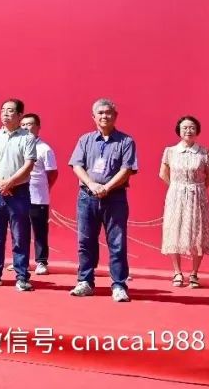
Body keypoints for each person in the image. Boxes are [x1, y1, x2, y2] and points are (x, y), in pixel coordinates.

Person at [69, 98, 137, 302]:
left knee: (117, 242)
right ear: (93, 117)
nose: (104, 116)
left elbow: (126, 169)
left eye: (108, 113)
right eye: (100, 113)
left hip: (114, 198)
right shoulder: (85, 140)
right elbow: (77, 165)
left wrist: (107, 187)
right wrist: (91, 184)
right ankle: (85, 282)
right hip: (87, 197)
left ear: (115, 116)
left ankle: (119, 285)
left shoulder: (126, 141)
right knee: (85, 241)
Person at [0, 99, 37, 291]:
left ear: (20, 115)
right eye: (3, 110)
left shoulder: (27, 138)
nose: (5, 113)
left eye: (10, 110)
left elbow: (28, 165)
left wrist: (9, 182)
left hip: (18, 192)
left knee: (19, 236)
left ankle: (21, 277)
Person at [160, 115, 209, 289]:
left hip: (198, 195)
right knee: (174, 230)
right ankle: (177, 272)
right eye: (184, 128)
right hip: (176, 195)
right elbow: (163, 174)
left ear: (197, 131)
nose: (188, 131)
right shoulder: (170, 151)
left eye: (192, 127)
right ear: (179, 131)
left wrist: (196, 189)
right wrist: (177, 187)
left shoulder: (204, 152)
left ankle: (194, 273)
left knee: (198, 233)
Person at [20, 113, 57, 275]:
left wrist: (43, 187)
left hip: (38, 197)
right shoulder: (18, 146)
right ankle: (21, 261)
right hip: (20, 196)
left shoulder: (44, 149)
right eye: (23, 125)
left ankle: (41, 262)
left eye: (29, 124)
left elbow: (52, 173)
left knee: (39, 231)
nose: (26, 128)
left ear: (38, 127)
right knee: (20, 230)